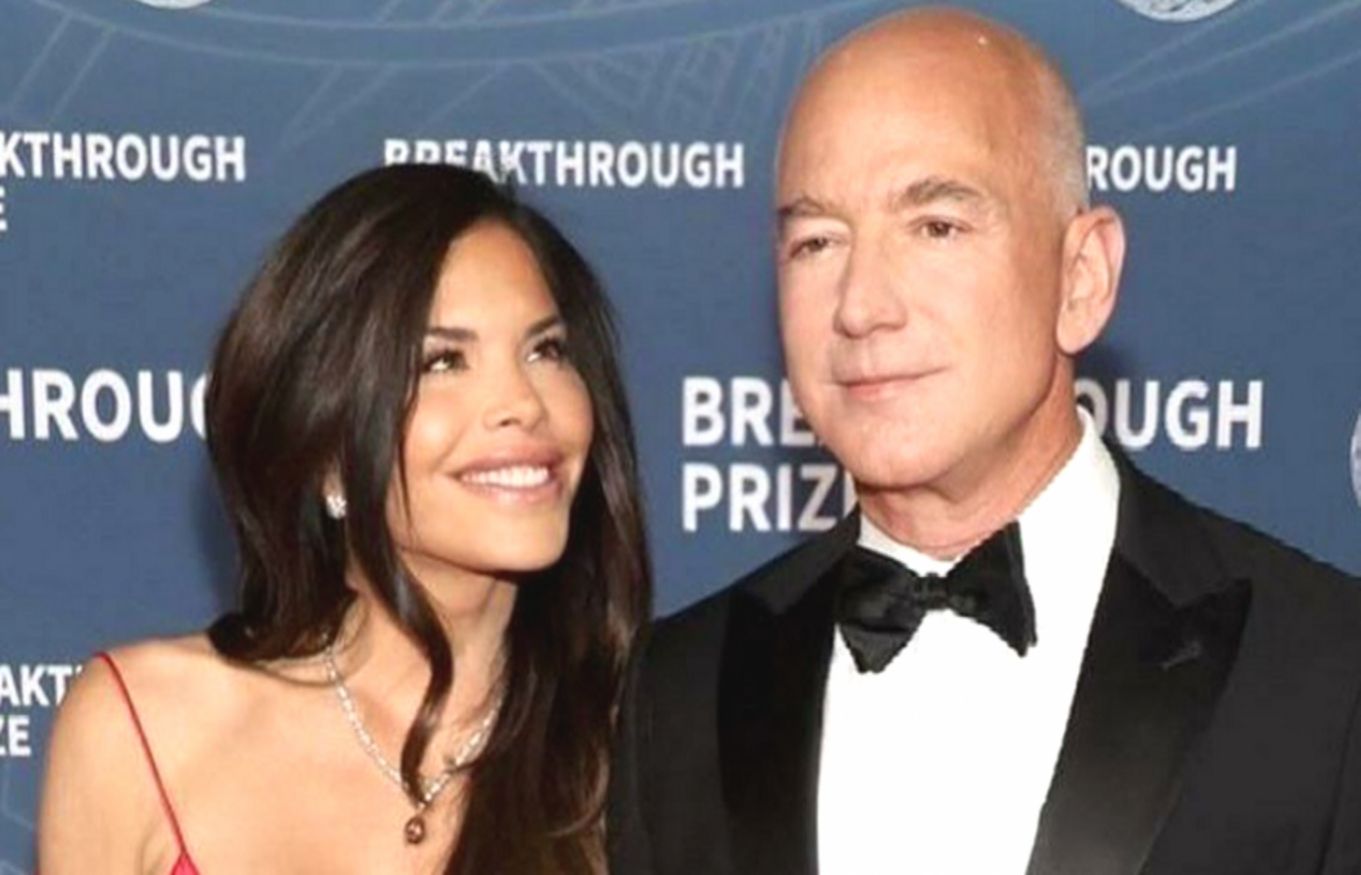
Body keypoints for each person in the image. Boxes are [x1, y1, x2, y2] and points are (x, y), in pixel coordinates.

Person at [607, 7, 1361, 874]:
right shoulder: (681, 691)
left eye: (936, 226)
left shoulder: (1325, 672)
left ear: (1081, 279)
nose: (860, 305)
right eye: (816, 241)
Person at [38, 164, 651, 874]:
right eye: (443, 361)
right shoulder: (142, 728)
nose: (522, 402)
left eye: (546, 350)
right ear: (325, 446)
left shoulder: (641, 755)